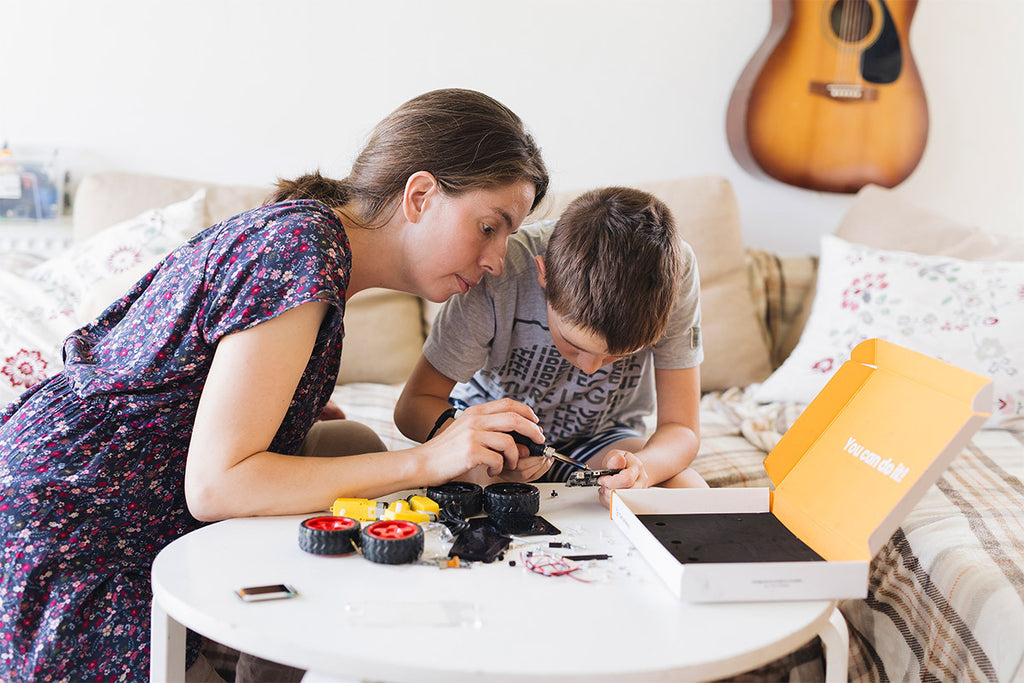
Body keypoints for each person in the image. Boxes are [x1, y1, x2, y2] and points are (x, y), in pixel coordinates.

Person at [0, 88, 548, 682]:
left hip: (106, 495)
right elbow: (216, 486)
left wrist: (288, 411)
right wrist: (427, 459)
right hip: (66, 529)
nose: (497, 260)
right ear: (420, 196)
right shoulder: (301, 251)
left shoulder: (311, 240)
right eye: (489, 227)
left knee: (348, 443)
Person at [395, 186, 707, 506]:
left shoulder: (673, 274)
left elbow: (681, 428)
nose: (588, 369)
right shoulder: (502, 271)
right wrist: (490, 449)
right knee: (471, 484)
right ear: (543, 274)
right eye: (572, 344)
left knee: (689, 490)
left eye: (618, 356)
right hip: (488, 434)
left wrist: (643, 470)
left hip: (600, 440)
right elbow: (413, 406)